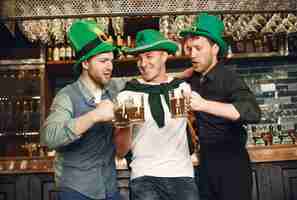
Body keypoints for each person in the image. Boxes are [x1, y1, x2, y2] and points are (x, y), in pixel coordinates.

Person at [179, 13, 261, 200]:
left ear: (215, 48)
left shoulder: (228, 77)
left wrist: (204, 105)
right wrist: (182, 75)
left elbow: (252, 112)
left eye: (198, 48)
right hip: (205, 166)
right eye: (189, 48)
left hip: (231, 166)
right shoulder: (194, 78)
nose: (192, 54)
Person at [40, 20, 122, 200]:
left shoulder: (114, 89)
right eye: (103, 61)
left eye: (111, 60)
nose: (110, 66)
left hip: (109, 188)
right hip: (77, 190)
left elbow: (141, 82)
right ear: (85, 63)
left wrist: (179, 75)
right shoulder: (67, 96)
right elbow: (49, 137)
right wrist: (94, 116)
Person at [114, 29, 199, 200]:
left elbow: (181, 126)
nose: (143, 63)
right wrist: (125, 126)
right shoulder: (130, 94)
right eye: (139, 58)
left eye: (149, 56)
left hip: (182, 176)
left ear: (164, 56)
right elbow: (121, 152)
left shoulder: (180, 89)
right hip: (145, 177)